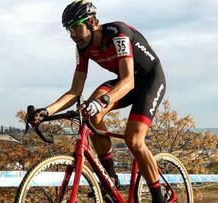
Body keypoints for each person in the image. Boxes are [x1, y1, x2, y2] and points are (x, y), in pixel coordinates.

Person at [30, 0, 166, 202]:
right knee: (89, 110)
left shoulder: (117, 33)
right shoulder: (82, 48)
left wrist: (104, 100)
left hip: (148, 80)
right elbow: (75, 91)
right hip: (124, 82)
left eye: (76, 27)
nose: (72, 35)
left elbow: (128, 81)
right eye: (68, 30)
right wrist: (46, 111)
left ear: (92, 22)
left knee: (134, 140)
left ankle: (158, 198)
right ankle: (110, 178)